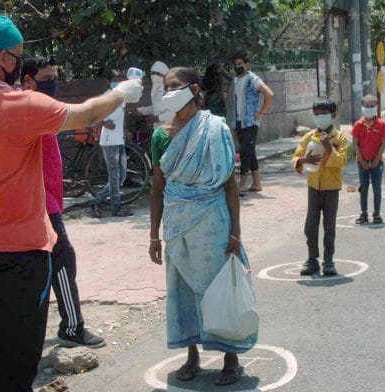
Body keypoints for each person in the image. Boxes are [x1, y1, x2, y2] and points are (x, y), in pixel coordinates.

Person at [0, 15, 142, 391]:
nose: (20, 63)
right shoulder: (20, 104)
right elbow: (87, 112)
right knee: (18, 354)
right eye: (18, 56)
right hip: (23, 252)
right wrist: (122, 92)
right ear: (3, 59)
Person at [148, 67, 255, 386]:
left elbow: (229, 186)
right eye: (166, 87)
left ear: (194, 89)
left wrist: (235, 231)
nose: (169, 92)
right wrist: (154, 235)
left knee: (217, 287)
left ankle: (230, 357)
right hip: (178, 224)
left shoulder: (215, 128)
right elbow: (157, 187)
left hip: (213, 222)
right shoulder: (160, 135)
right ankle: (191, 354)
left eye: (175, 86)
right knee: (182, 291)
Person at [20, 56, 105, 348]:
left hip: (47, 200)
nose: (53, 84)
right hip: (41, 203)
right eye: (48, 78)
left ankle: (54, 328)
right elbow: (86, 114)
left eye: (56, 77)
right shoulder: (28, 107)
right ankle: (71, 326)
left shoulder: (37, 108)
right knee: (62, 259)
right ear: (28, 80)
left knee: (48, 263)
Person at [291, 100, 349, 276]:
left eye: (323, 113)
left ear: (333, 115)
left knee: (329, 226)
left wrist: (328, 147)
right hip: (313, 186)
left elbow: (341, 161)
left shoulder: (339, 137)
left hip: (331, 187)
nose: (320, 117)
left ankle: (329, 260)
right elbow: (296, 157)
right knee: (311, 225)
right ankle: (312, 259)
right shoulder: (309, 136)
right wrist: (303, 161)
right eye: (316, 114)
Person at [88, 70, 135, 218]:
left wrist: (125, 130)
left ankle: (96, 201)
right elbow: (90, 117)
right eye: (115, 79)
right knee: (114, 176)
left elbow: (123, 116)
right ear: (109, 82)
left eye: (120, 79)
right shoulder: (105, 98)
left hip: (120, 141)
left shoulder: (121, 97)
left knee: (121, 177)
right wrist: (103, 123)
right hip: (109, 142)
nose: (118, 81)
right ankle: (116, 208)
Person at [228, 50, 275, 194]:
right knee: (250, 151)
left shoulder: (253, 79)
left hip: (251, 122)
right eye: (235, 64)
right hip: (239, 122)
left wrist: (261, 112)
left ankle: (242, 184)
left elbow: (269, 94)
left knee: (245, 152)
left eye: (240, 64)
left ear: (247, 64)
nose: (238, 66)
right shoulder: (235, 81)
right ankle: (256, 183)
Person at [352, 95, 385, 225]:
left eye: (372, 106)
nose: (369, 109)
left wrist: (377, 159)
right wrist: (362, 160)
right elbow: (355, 144)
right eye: (367, 106)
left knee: (377, 188)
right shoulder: (358, 125)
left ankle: (377, 213)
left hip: (376, 162)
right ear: (362, 107)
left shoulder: (382, 124)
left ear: (377, 107)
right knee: (364, 187)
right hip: (362, 162)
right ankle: (364, 213)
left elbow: (383, 143)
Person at [137, 60, 171, 125]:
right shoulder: (156, 90)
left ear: (164, 75)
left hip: (171, 131)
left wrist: (159, 118)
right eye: (152, 73)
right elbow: (156, 108)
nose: (154, 76)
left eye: (157, 74)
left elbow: (175, 112)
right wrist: (139, 110)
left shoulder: (170, 91)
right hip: (158, 130)